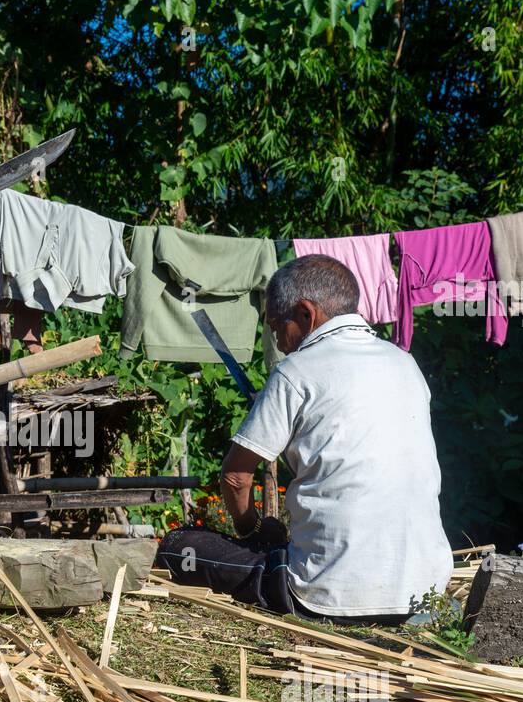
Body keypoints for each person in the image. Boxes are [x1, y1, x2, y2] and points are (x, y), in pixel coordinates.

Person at [155, 255, 453, 625]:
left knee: (180, 547)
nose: (279, 342)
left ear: (305, 314)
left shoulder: (297, 371)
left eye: (277, 327)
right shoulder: (405, 363)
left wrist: (253, 533)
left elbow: (235, 476)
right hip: (422, 593)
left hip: (326, 596)